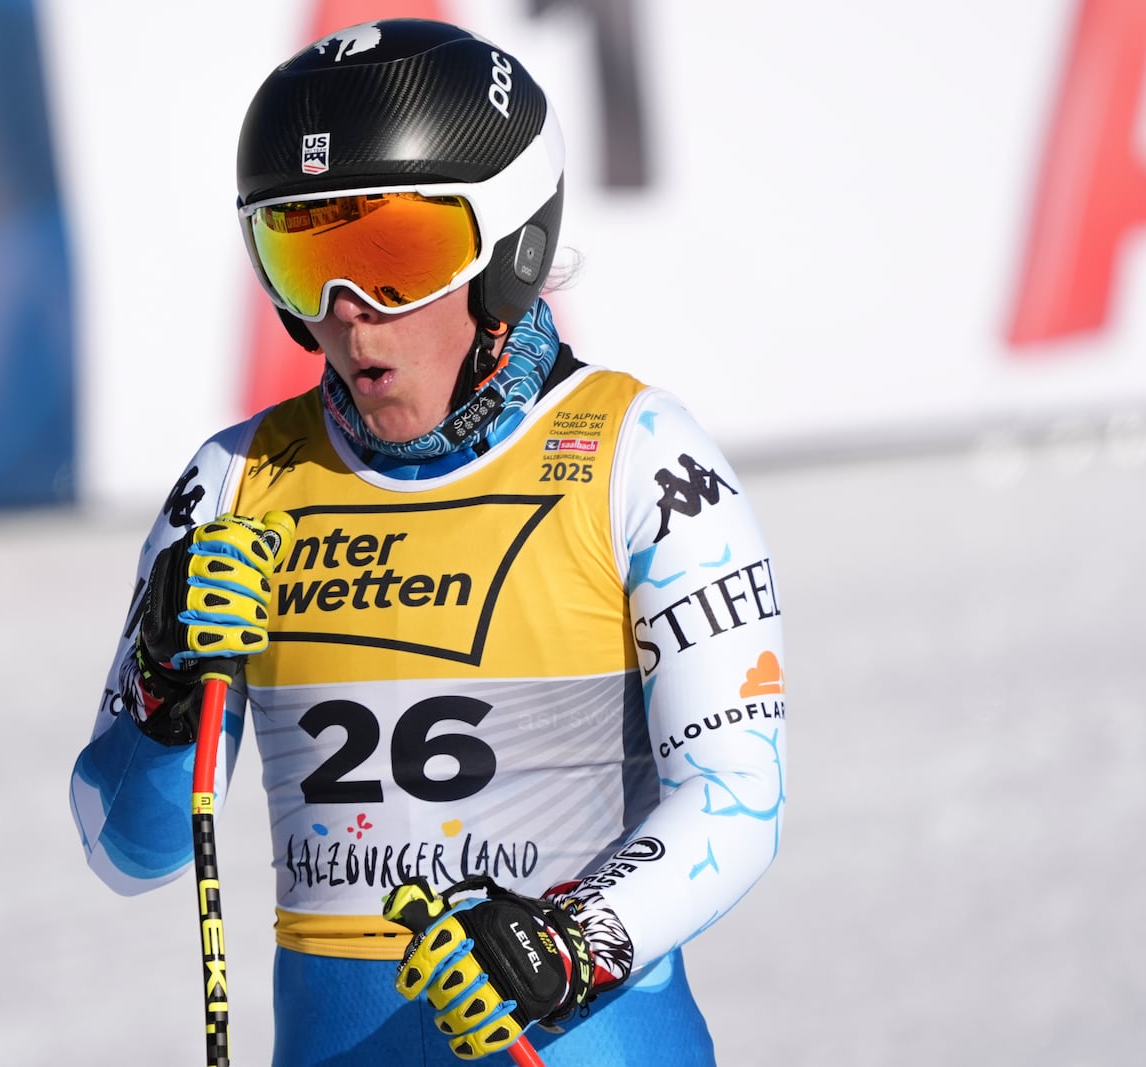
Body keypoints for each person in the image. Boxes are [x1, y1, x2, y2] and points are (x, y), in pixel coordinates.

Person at [70, 18, 786, 1066]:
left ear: (514, 248)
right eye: (303, 254)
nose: (350, 317)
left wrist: (571, 938)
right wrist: (160, 688)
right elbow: (122, 848)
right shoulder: (231, 487)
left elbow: (739, 796)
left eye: (394, 257)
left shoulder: (639, 457)